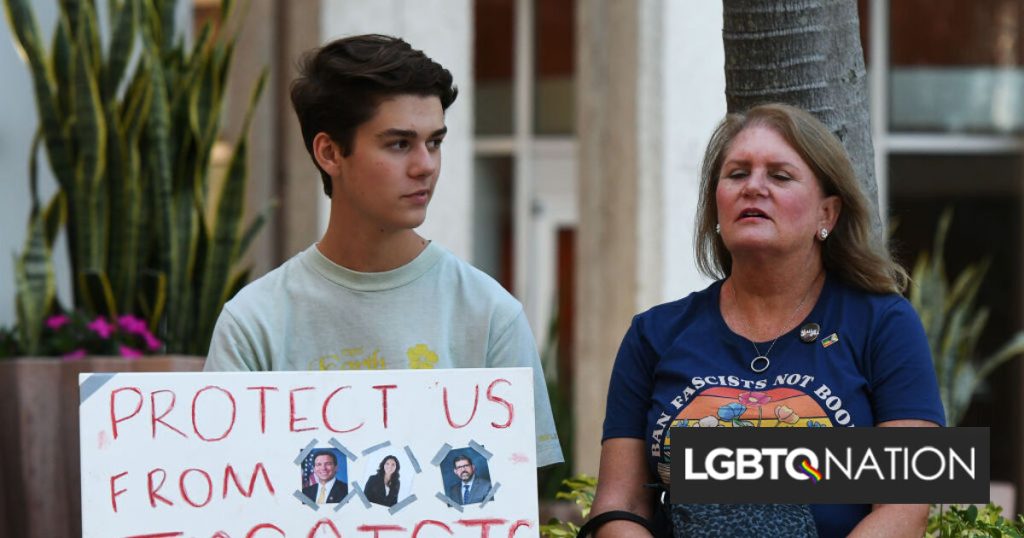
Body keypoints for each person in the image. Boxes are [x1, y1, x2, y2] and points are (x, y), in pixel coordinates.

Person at [202, 34, 562, 468]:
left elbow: (514, 505)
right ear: (329, 152)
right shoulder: (254, 322)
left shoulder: (489, 314)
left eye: (435, 142)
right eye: (399, 143)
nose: (425, 165)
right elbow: (229, 494)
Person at [590, 103, 945, 537]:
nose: (753, 187)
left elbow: (904, 508)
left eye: (780, 175)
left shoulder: (884, 324)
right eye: (737, 174)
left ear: (826, 214)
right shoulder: (654, 334)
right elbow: (619, 504)